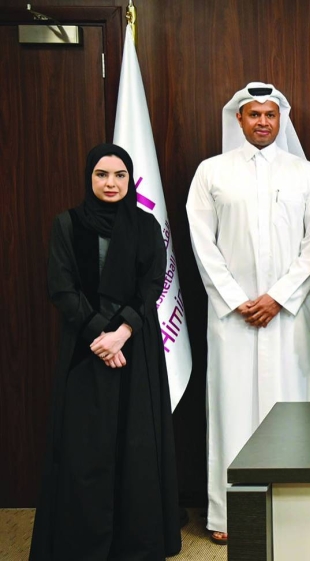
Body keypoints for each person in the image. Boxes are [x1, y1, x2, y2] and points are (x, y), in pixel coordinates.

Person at [187, 82, 310, 542]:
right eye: (254, 114)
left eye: (271, 114)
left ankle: (289, 508)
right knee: (230, 408)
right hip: (231, 315)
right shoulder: (211, 172)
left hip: (287, 314)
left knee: (285, 409)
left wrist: (278, 297)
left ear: (280, 120)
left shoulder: (306, 173)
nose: (263, 122)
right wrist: (235, 298)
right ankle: (228, 515)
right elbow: (202, 243)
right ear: (239, 119)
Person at [31, 143, 181, 560]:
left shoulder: (146, 224)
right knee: (87, 450)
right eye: (102, 174)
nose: (111, 183)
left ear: (130, 179)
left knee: (135, 447)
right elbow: (61, 288)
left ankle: (136, 542)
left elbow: (152, 284)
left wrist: (122, 332)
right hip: (85, 347)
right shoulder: (68, 224)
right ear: (89, 178)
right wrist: (101, 334)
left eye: (119, 175)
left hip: (135, 348)